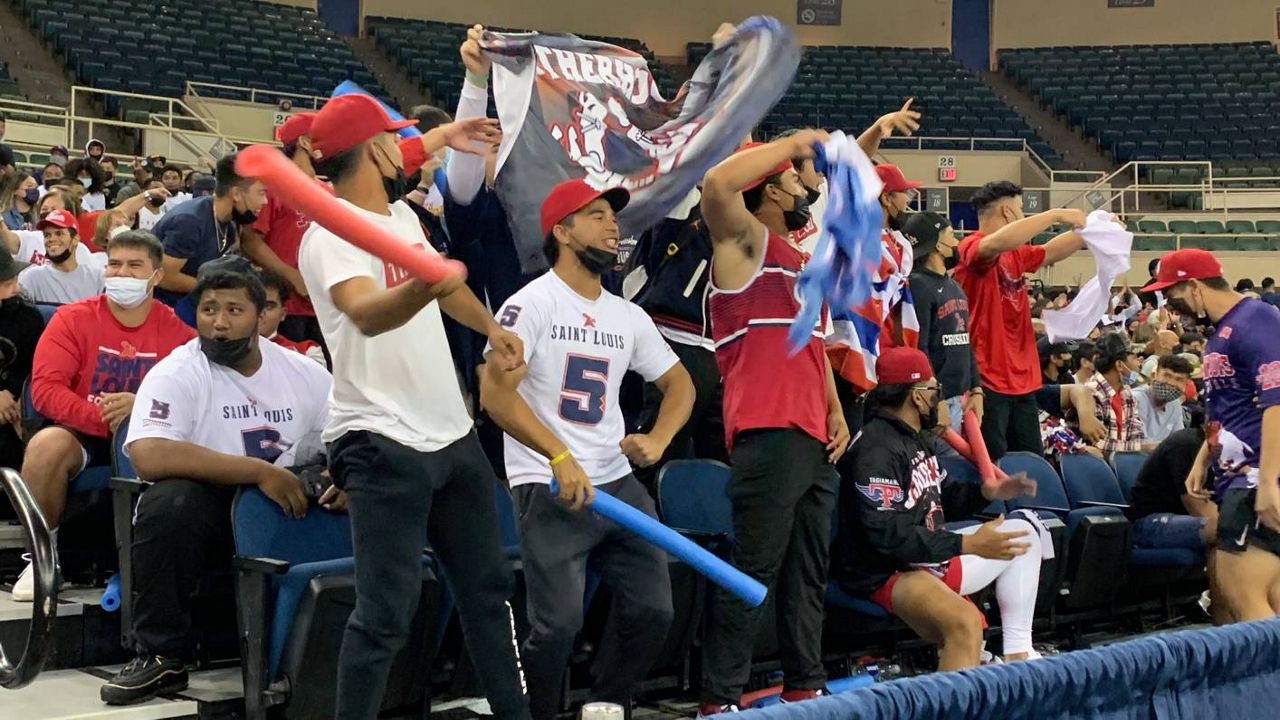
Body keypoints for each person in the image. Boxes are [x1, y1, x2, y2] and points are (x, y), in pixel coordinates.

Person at [297, 93, 530, 720]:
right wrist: (427, 283)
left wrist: (490, 329)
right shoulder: (331, 235)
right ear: (373, 150)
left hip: (450, 433)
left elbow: (446, 287)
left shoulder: (401, 215)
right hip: (378, 438)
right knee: (385, 614)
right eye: (390, 141)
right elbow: (368, 313)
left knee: (490, 592)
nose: (405, 153)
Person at [480, 179, 694, 720]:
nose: (612, 225)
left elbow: (681, 385)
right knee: (556, 627)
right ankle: (540, 713)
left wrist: (658, 438)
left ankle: (606, 702)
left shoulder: (628, 315)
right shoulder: (530, 304)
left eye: (613, 216)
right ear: (562, 230)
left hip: (616, 481)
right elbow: (495, 398)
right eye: (596, 215)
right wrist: (557, 455)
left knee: (654, 609)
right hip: (548, 481)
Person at [99, 267, 336, 704]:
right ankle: (160, 655)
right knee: (168, 503)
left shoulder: (303, 372)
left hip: (290, 502)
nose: (219, 323)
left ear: (262, 315)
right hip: (213, 506)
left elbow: (347, 434)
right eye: (208, 310)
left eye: (233, 310)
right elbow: (149, 452)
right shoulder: (178, 371)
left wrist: (338, 475)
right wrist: (259, 472)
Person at [697, 132, 850, 714]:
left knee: (808, 570)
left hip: (812, 429)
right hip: (766, 426)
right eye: (790, 175)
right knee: (753, 570)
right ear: (764, 187)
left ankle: (805, 683)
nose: (800, 181)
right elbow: (716, 183)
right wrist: (793, 141)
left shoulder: (799, 260)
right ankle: (719, 699)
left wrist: (834, 408)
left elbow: (812, 346)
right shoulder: (741, 243)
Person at [11, 230, 193, 601]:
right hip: (83, 431)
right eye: (114, 264)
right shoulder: (71, 319)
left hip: (151, 433)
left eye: (134, 266)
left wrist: (139, 410)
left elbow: (195, 398)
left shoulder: (179, 333)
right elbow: (45, 390)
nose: (121, 274)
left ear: (157, 276)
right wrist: (108, 417)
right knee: (47, 446)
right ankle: (42, 557)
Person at [833, 346, 1043, 668]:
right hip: (884, 570)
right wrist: (967, 544)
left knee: (1023, 533)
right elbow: (888, 537)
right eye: (935, 389)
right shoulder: (875, 449)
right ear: (917, 396)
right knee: (965, 623)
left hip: (925, 556)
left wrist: (986, 493)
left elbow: (942, 497)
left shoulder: (916, 437)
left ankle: (1019, 654)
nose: (939, 399)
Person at [1144, 249, 1280, 621]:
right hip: (1240, 476)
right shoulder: (1223, 330)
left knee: (1244, 597)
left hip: (1254, 478)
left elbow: (1277, 401)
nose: (1170, 305)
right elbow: (1229, 406)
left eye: (1171, 293)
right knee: (1268, 595)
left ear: (1193, 286)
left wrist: (1267, 482)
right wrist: (1204, 458)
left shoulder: (1257, 319)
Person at [954, 181, 1087, 459]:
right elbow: (993, 244)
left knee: (1031, 461)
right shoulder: (972, 246)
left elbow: (1050, 252)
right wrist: (1054, 215)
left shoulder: (1016, 253)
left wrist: (1094, 228)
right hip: (988, 379)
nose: (1024, 214)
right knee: (993, 462)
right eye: (1021, 208)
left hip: (1023, 380)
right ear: (1007, 211)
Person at [241, 113, 326, 347]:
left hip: (323, 305)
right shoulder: (274, 185)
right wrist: (293, 277)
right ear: (304, 142)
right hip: (287, 305)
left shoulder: (327, 190)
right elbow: (249, 240)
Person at [152, 153, 267, 314]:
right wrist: (216, 287)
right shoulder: (190, 221)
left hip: (186, 304)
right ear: (236, 194)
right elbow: (164, 277)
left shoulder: (228, 222)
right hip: (162, 309)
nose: (265, 201)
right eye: (261, 193)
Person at [905, 211, 981, 431]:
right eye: (950, 234)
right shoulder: (918, 285)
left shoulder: (953, 285)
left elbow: (965, 341)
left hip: (961, 397)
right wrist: (934, 399)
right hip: (939, 400)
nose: (956, 241)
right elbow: (920, 348)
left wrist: (976, 388)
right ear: (937, 245)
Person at [0, 252, 42, 470]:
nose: (16, 288)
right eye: (8, 283)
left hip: (13, 410)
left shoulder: (27, 318)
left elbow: (34, 372)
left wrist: (14, 403)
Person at [17, 209, 104, 304]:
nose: (51, 239)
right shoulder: (32, 278)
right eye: (47, 235)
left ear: (75, 239)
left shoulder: (96, 277)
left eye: (59, 233)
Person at [1083, 332, 1145, 457]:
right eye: (1134, 358)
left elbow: (1136, 431)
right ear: (1119, 365)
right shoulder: (1091, 393)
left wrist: (1136, 446)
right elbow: (1098, 443)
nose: (1139, 363)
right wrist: (1142, 447)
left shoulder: (1126, 392)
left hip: (1123, 463)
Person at [256, 268, 325, 366]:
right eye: (255, 304)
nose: (260, 313)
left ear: (283, 314)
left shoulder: (307, 352)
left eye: (268, 306)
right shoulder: (228, 354)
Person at [1133, 353, 1191, 445]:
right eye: (1167, 375)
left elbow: (1179, 441)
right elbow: (1139, 444)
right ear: (1154, 375)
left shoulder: (1175, 404)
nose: (1171, 383)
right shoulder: (1136, 399)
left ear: (1185, 384)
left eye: (1179, 379)